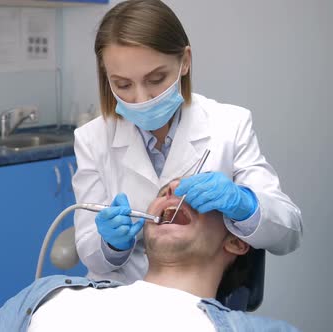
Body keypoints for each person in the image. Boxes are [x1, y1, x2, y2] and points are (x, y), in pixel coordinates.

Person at [72, 0, 303, 283]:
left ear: (185, 62)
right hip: (118, 294)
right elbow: (89, 250)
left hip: (194, 298)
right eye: (123, 84)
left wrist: (245, 206)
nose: (142, 99)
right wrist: (111, 244)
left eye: (156, 78)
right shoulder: (91, 139)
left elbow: (288, 233)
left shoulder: (230, 125)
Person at [0, 180, 299, 331]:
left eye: (195, 194)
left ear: (236, 242)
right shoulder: (49, 293)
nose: (173, 194)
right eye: (165, 193)